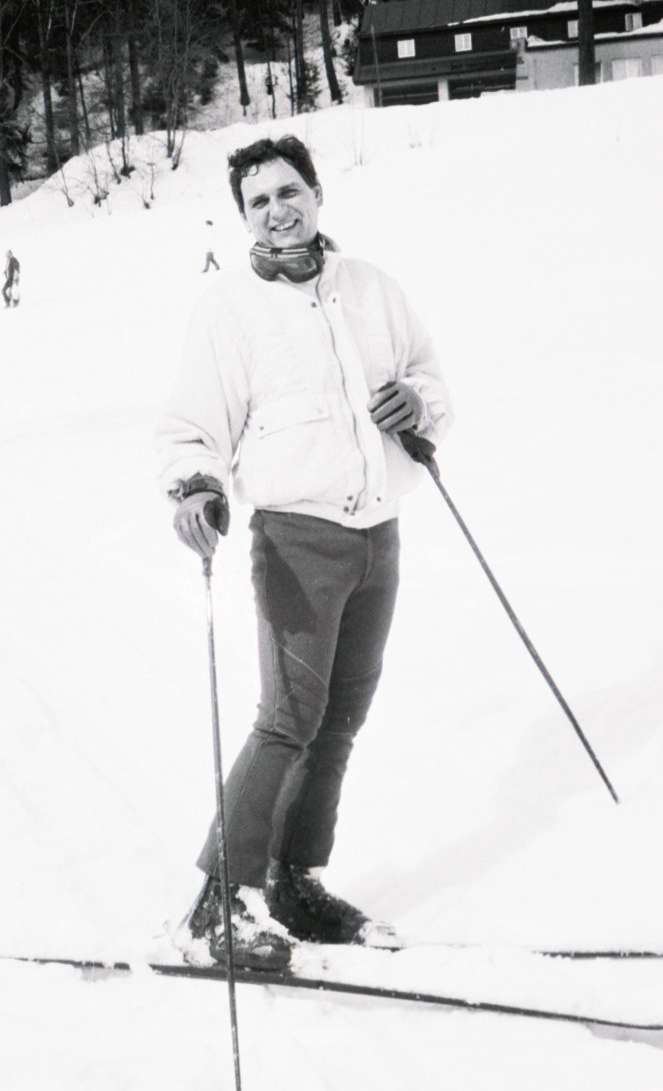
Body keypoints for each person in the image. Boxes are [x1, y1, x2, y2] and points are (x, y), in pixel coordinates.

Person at [156, 135, 453, 970]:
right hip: (295, 540)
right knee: (288, 717)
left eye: (289, 191)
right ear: (242, 216)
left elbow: (431, 380)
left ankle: (293, 881)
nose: (278, 210)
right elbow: (192, 423)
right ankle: (220, 900)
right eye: (258, 201)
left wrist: (416, 403)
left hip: (377, 537)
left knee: (342, 721)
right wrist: (193, 484)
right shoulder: (229, 309)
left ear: (317, 194)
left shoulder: (370, 289)